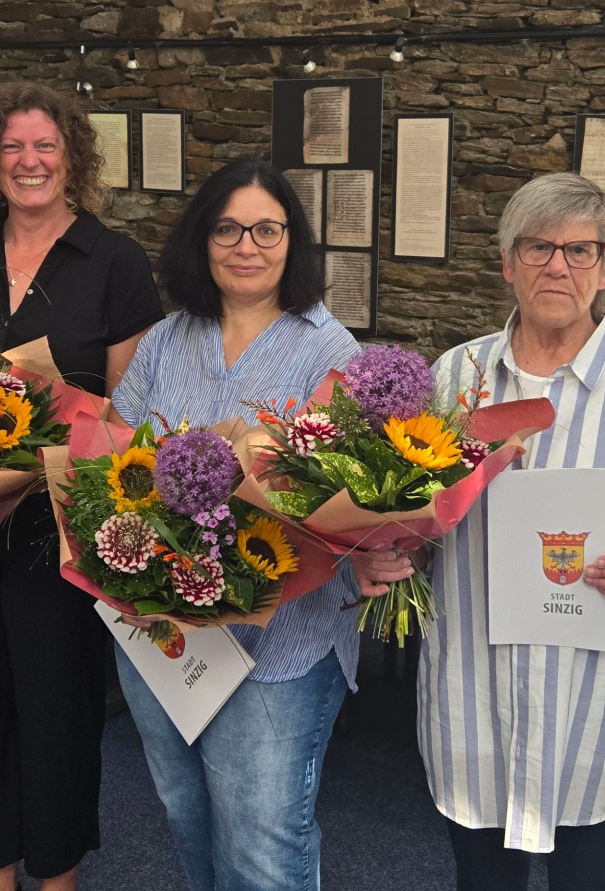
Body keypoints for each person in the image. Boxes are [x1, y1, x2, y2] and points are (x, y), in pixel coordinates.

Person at [353, 172, 605, 891]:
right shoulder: (452, 380)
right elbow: (409, 521)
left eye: (580, 249)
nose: (558, 265)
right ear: (507, 263)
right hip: (475, 707)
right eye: (537, 247)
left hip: (602, 716)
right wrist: (379, 552)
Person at [0, 82, 162, 891]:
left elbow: (127, 420)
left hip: (58, 529)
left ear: (72, 157)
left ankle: (55, 876)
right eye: (12, 147)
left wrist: (18, 484)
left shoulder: (115, 261)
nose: (29, 161)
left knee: (57, 712)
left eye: (45, 145)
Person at [109, 158, 360, 891]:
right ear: (203, 238)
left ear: (293, 241)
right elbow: (112, 448)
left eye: (266, 228)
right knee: (186, 812)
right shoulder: (165, 339)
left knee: (261, 848)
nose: (246, 245)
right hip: (161, 632)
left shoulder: (329, 351)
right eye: (227, 227)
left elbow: (344, 506)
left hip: (277, 645)